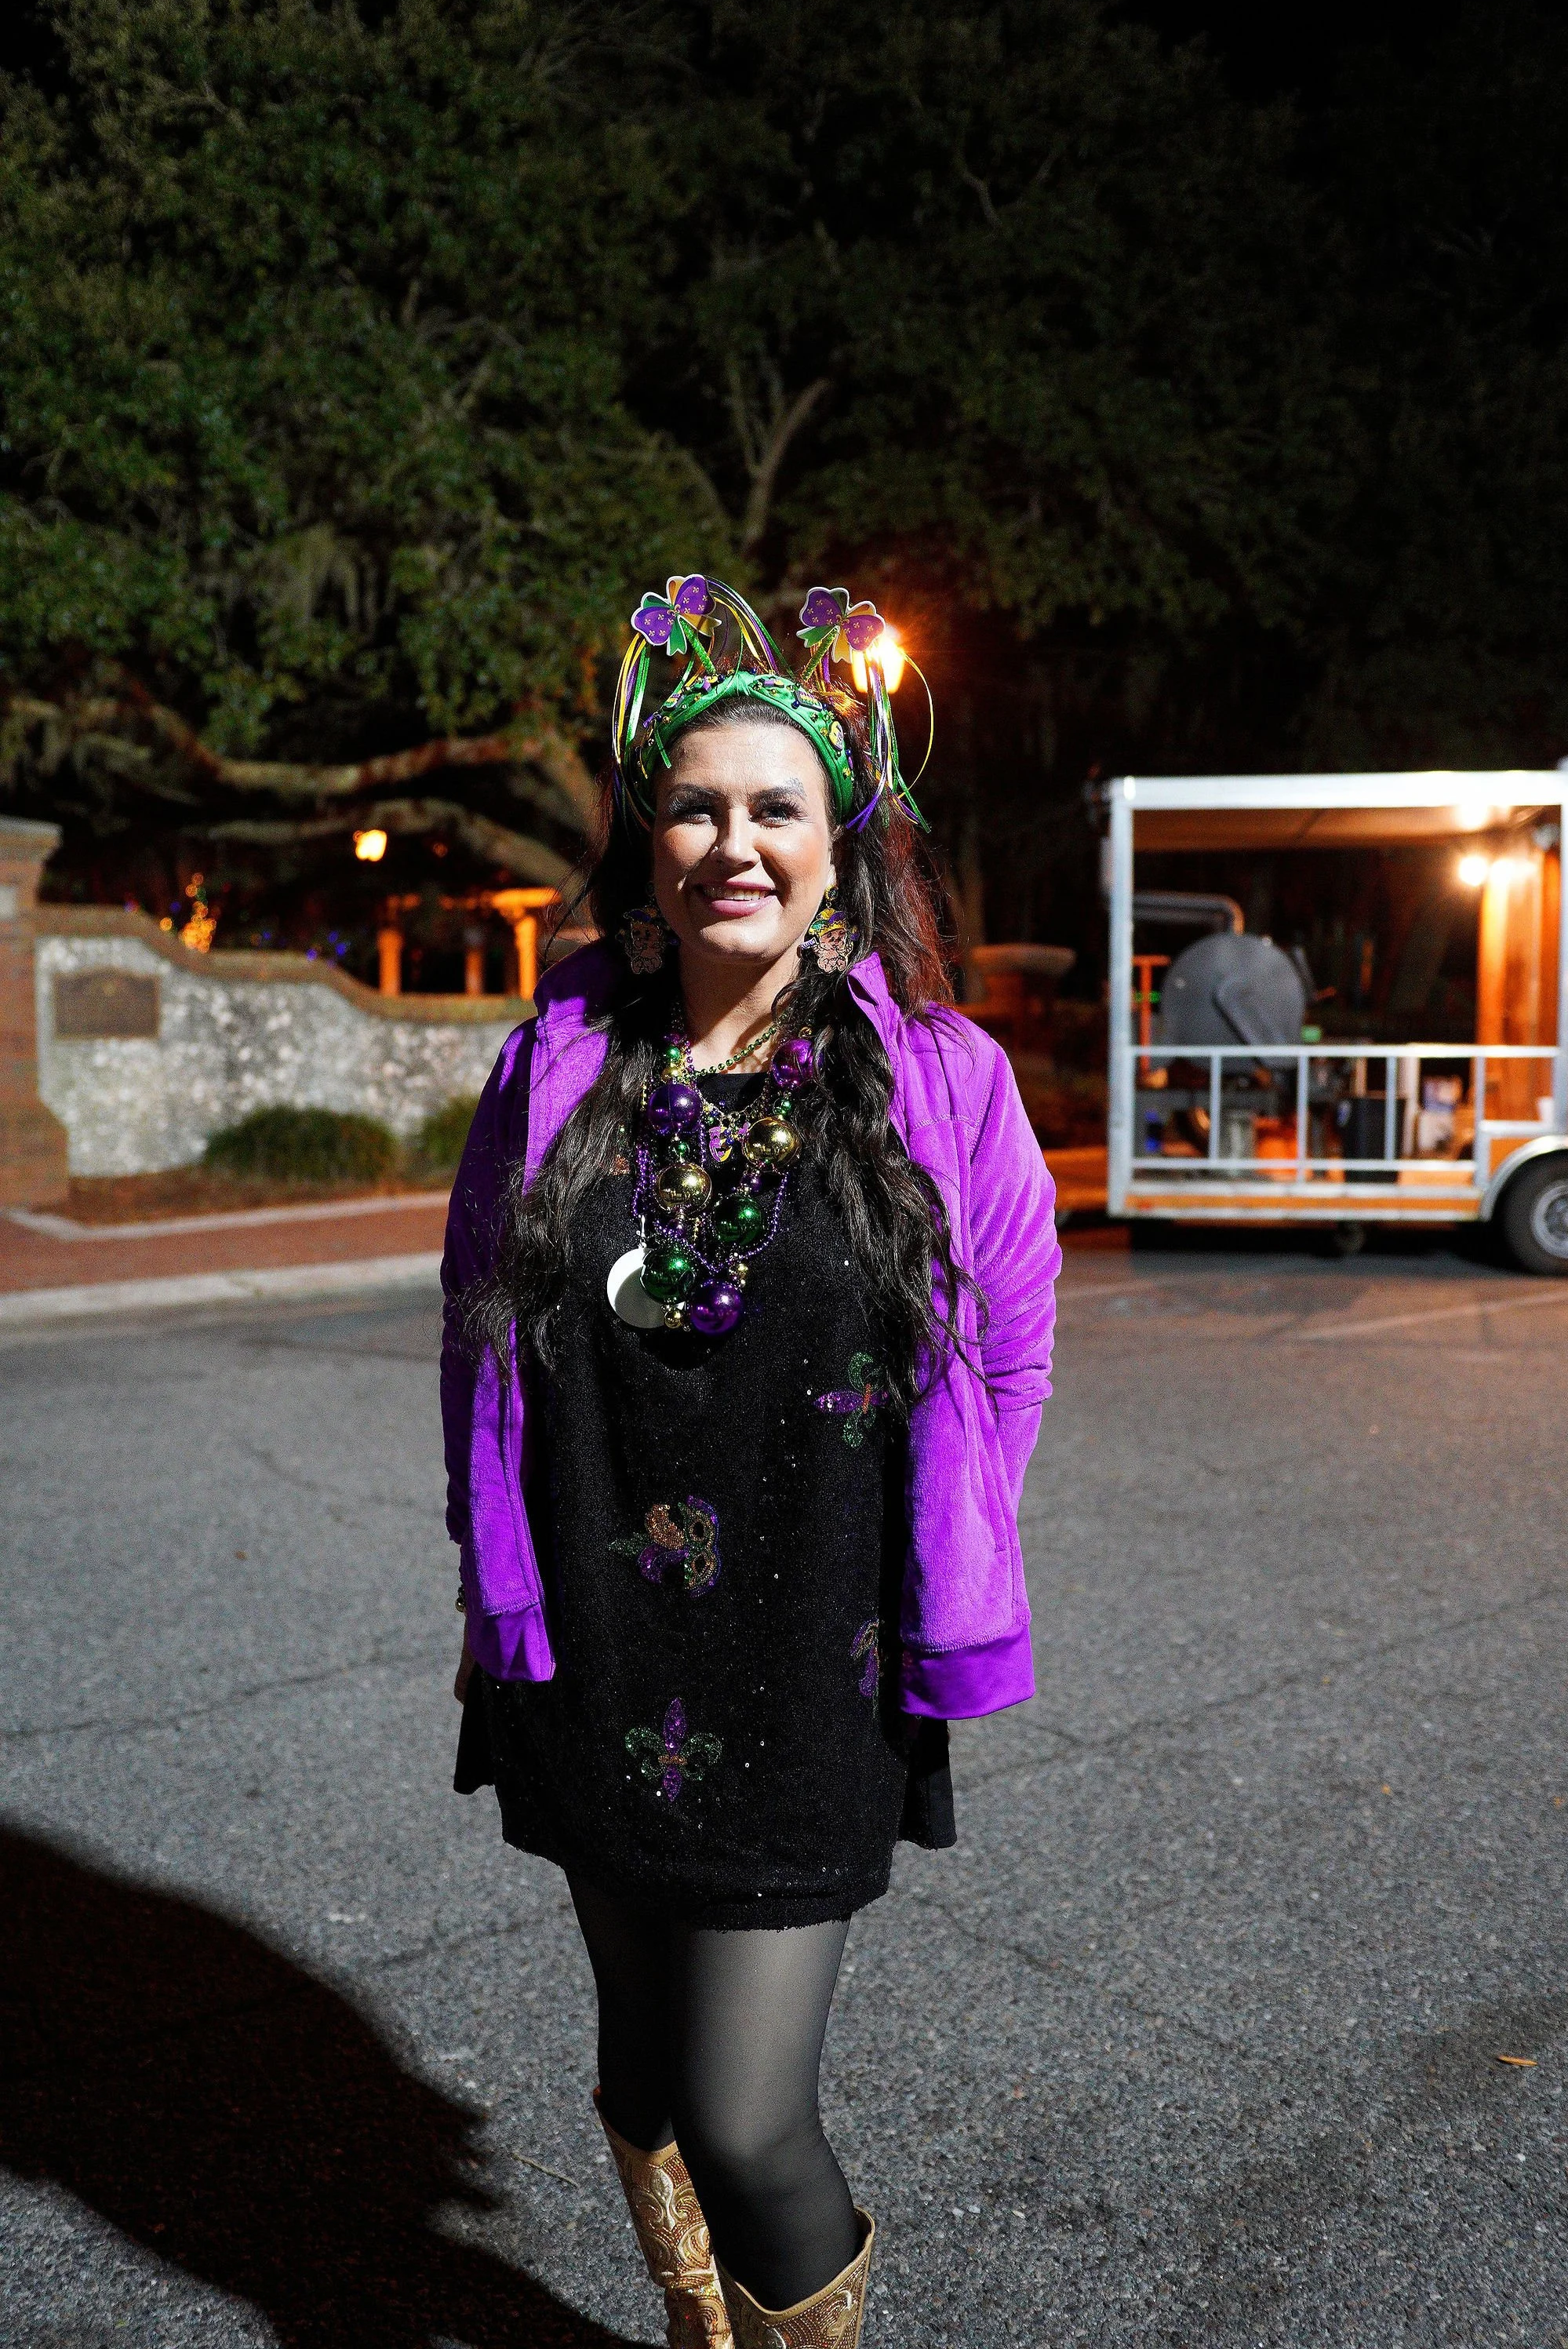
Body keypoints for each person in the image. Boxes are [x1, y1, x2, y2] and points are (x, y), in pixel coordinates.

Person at [442, 576, 1059, 2347]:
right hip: (593, 1637)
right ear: (648, 843)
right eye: (695, 805)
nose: (732, 841)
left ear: (838, 844)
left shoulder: (940, 1076)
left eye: (773, 807)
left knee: (744, 2113)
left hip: (816, 1659)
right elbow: (473, 1325)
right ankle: (692, 2320)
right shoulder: (556, 1060)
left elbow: (1010, 1338)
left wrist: (952, 1540)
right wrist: (497, 1577)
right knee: (640, 2067)